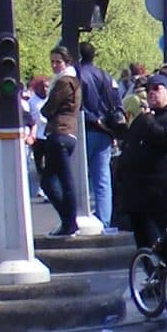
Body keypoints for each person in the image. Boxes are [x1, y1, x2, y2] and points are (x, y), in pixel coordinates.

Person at [114, 73, 167, 256]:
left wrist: (148, 120)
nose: (152, 93)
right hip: (142, 192)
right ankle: (152, 274)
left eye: (157, 89)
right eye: (149, 90)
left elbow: (166, 138)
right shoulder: (143, 119)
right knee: (144, 239)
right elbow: (129, 143)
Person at [75, 40, 123, 229]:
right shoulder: (105, 75)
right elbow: (117, 101)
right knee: (102, 179)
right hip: (105, 133)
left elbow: (77, 105)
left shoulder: (78, 75)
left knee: (79, 177)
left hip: (86, 129)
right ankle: (104, 221)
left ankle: (80, 218)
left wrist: (94, 119)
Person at [37, 68, 82, 236]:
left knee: (55, 181)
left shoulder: (64, 82)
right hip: (68, 133)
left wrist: (46, 111)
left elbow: (49, 107)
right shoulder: (75, 82)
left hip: (59, 132)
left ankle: (69, 222)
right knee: (60, 179)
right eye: (52, 62)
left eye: (58, 62)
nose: (54, 66)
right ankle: (68, 221)